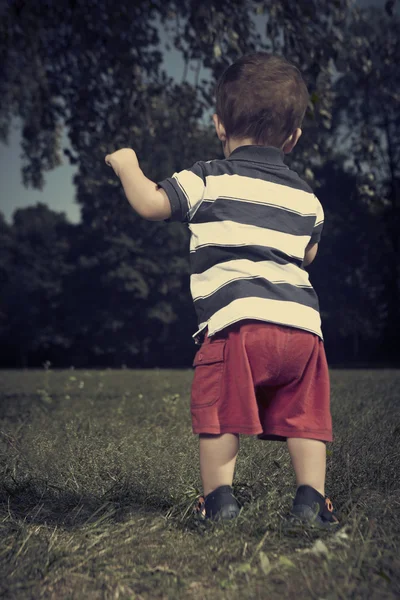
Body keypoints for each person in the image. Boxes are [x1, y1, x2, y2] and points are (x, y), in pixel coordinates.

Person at [105, 52, 340, 530]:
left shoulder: (208, 176)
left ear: (219, 125)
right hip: (302, 332)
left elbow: (152, 203)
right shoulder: (307, 199)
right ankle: (311, 500)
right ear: (293, 138)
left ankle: (219, 500)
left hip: (237, 325)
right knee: (305, 416)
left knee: (218, 412)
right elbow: (309, 253)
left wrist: (127, 164)